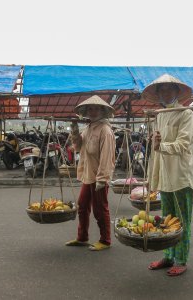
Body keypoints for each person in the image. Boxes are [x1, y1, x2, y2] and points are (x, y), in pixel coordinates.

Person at [144, 74, 193, 276]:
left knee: (183, 220)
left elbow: (184, 144)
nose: (165, 93)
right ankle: (168, 255)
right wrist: (155, 140)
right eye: (161, 90)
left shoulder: (186, 113)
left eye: (169, 89)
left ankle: (181, 259)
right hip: (165, 174)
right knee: (167, 219)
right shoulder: (160, 114)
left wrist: (161, 144)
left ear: (176, 91)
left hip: (180, 175)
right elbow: (157, 147)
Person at [65, 95, 116, 251]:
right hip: (88, 174)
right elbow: (79, 147)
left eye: (96, 108)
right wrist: (74, 129)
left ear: (102, 110)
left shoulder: (105, 130)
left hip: (99, 176)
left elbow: (107, 157)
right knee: (82, 206)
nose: (93, 112)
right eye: (90, 109)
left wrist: (102, 179)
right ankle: (82, 237)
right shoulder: (87, 128)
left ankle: (105, 240)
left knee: (100, 209)